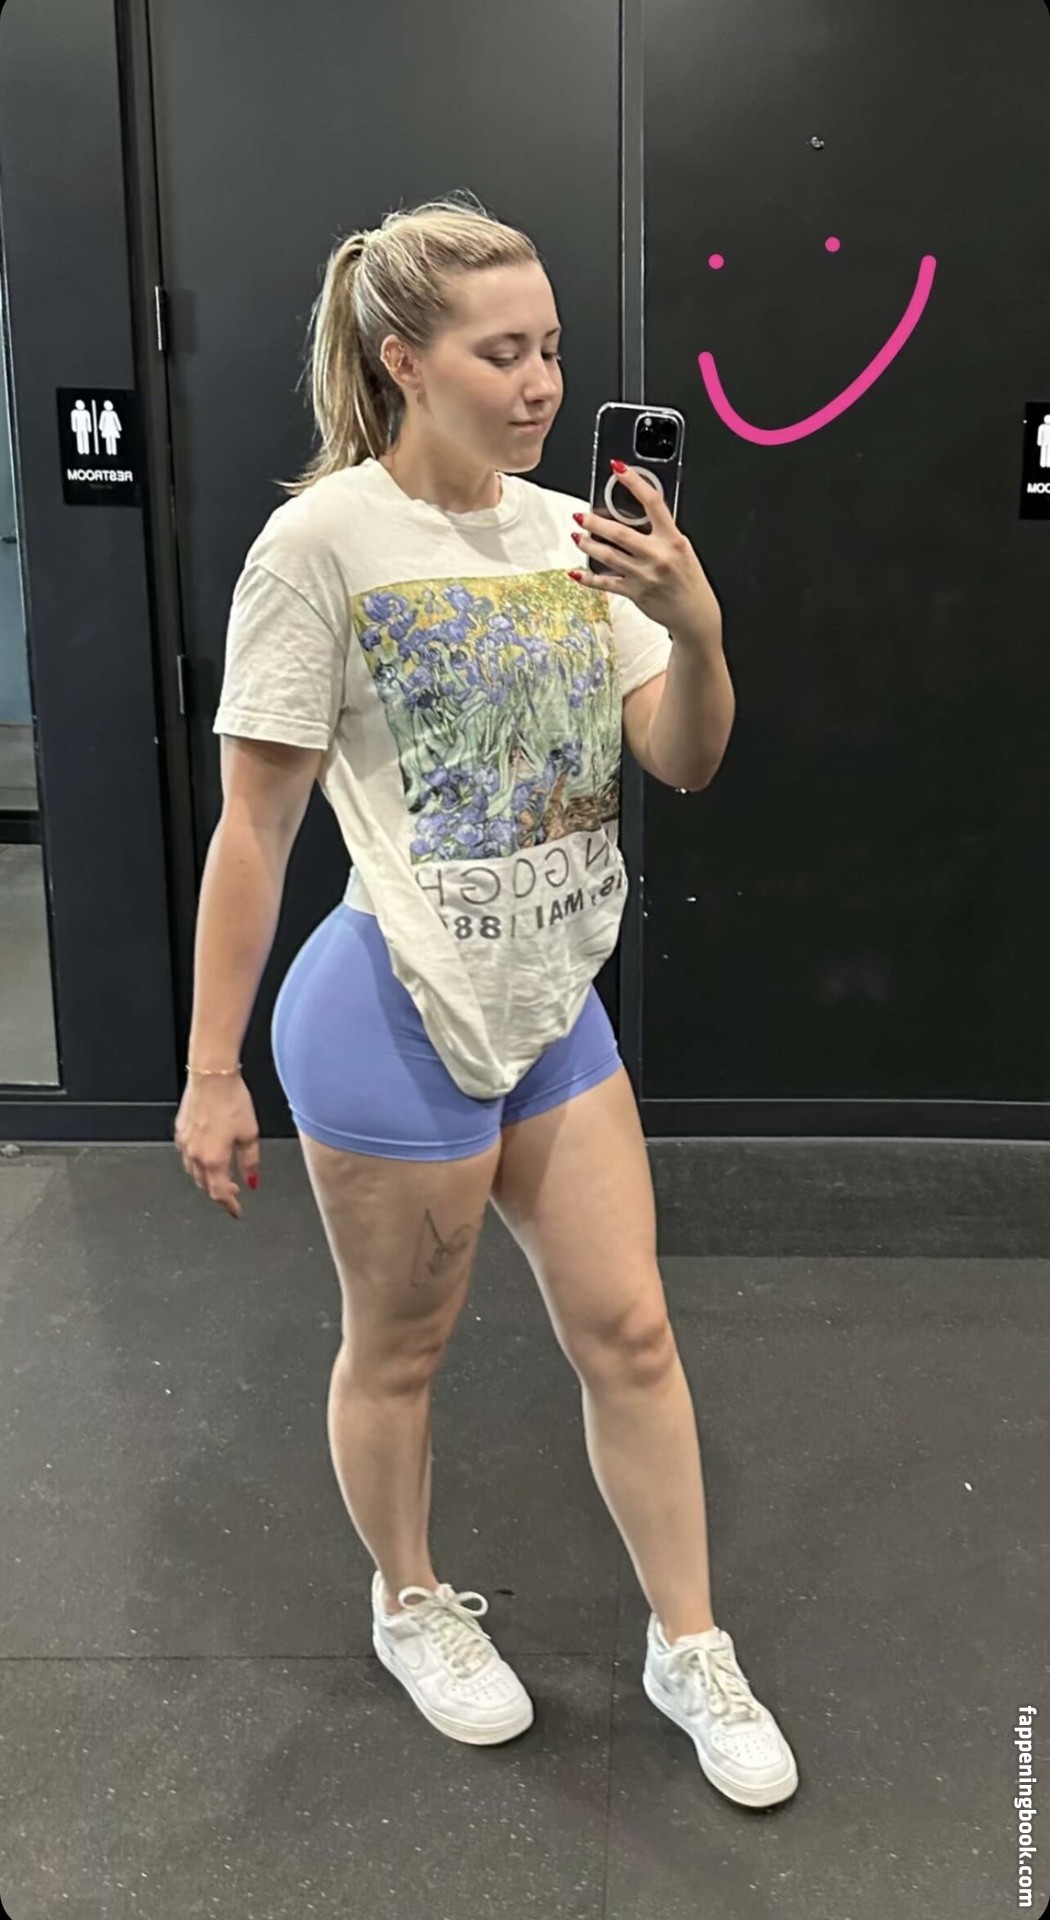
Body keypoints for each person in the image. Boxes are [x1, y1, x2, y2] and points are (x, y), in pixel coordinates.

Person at [174, 191, 798, 1807]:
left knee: (632, 1331)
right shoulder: (321, 545)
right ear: (403, 360)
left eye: (552, 351)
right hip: (388, 1011)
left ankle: (687, 1643)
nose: (539, 385)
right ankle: (408, 1602)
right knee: (401, 1354)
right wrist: (209, 1070)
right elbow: (254, 826)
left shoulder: (574, 537)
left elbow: (682, 759)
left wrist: (693, 624)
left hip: (551, 1006)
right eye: (501, 353)